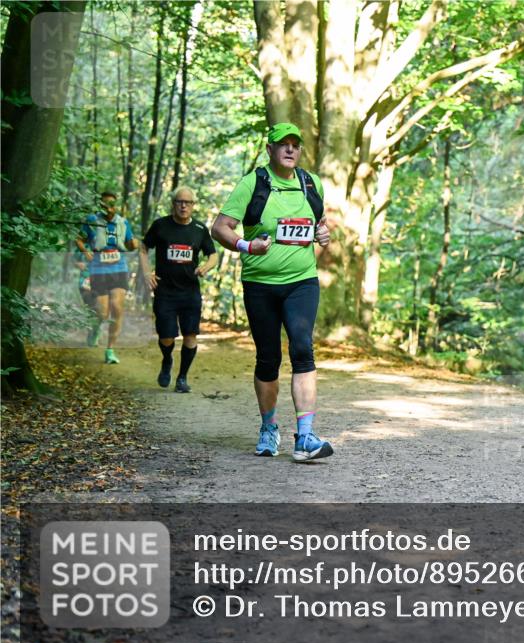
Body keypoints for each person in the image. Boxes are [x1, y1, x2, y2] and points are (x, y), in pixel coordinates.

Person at [211, 122, 334, 462]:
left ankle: (305, 437)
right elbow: (219, 228)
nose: (290, 149)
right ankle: (268, 427)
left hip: (301, 281)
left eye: (295, 144)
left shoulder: (311, 183)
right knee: (268, 357)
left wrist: (323, 237)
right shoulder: (253, 184)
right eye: (283, 144)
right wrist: (247, 245)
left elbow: (319, 224)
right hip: (260, 285)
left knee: (302, 347)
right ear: (270, 149)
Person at [139, 186, 218, 393]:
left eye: (188, 202)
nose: (183, 206)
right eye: (179, 202)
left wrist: (206, 267)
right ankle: (167, 360)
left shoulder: (200, 229)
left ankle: (182, 378)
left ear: (193, 206)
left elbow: (213, 255)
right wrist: (147, 272)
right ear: (173, 204)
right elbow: (143, 247)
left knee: (191, 335)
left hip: (190, 292)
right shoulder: (160, 226)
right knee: (166, 336)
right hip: (165, 291)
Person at [76, 191, 138, 363]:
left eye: (112, 204)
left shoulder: (122, 223)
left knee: (117, 307)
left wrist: (133, 244)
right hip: (98, 268)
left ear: (116, 205)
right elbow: (79, 239)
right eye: (105, 204)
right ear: (100, 205)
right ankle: (95, 329)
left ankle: (110, 350)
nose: (109, 207)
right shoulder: (91, 221)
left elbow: (130, 244)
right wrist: (86, 251)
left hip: (119, 267)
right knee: (102, 312)